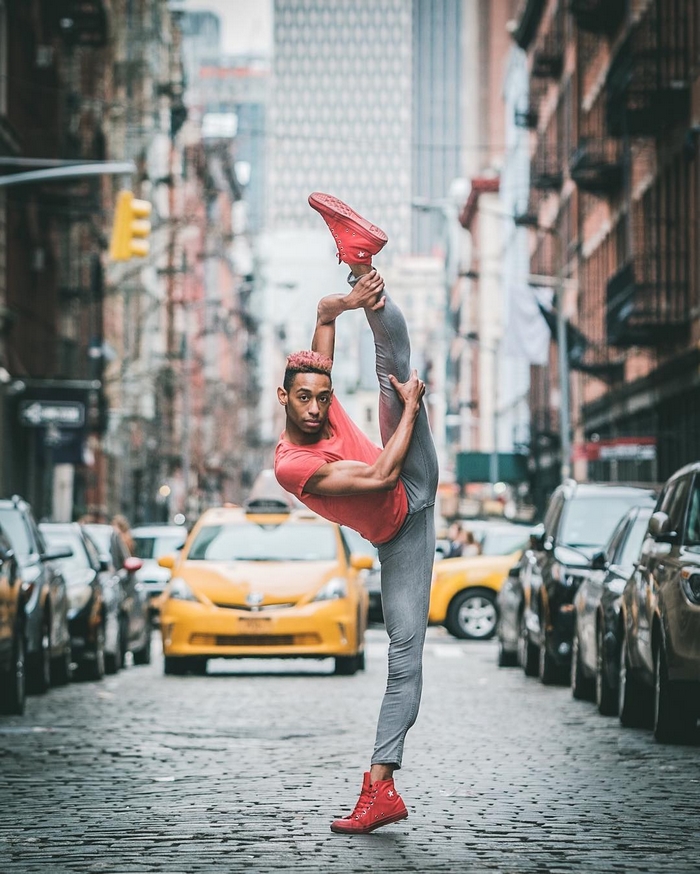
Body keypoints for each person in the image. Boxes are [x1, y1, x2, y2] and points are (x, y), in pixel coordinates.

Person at [274, 192, 438, 835]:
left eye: (322, 396)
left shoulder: (317, 387)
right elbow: (378, 474)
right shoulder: (292, 463)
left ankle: (359, 252)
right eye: (305, 399)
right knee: (405, 651)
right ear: (283, 398)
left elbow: (320, 316)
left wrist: (350, 294)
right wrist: (416, 411)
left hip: (411, 485)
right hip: (403, 521)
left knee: (388, 371)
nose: (317, 408)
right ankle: (383, 788)